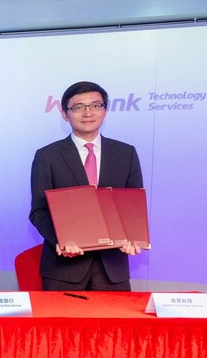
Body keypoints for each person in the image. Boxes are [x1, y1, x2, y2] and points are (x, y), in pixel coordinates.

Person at [29, 81, 143, 291]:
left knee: (115, 325)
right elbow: (38, 211)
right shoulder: (47, 156)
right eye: (78, 107)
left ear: (105, 110)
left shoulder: (126, 154)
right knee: (61, 325)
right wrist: (60, 241)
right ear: (65, 113)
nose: (88, 112)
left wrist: (133, 237)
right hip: (63, 270)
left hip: (113, 270)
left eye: (95, 105)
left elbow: (132, 207)